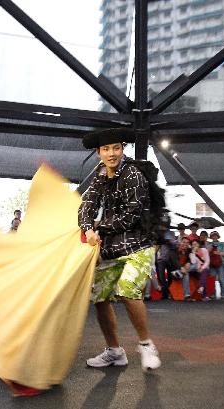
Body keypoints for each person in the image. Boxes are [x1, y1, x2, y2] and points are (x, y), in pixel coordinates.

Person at [78, 128, 161, 371]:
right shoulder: (100, 174)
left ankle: (146, 345)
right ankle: (114, 351)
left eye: (116, 148)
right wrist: (86, 227)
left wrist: (97, 227)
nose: (111, 153)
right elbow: (86, 204)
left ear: (123, 148)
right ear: (98, 153)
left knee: (127, 290)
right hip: (113, 247)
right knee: (100, 297)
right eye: (106, 149)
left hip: (139, 245)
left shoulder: (133, 174)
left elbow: (131, 216)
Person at [208, 231, 224, 299]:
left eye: (215, 235)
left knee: (221, 279)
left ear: (218, 236)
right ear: (211, 237)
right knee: (212, 279)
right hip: (211, 264)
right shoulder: (208, 244)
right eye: (213, 236)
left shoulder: (222, 244)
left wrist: (218, 253)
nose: (214, 237)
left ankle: (222, 293)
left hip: (220, 264)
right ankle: (213, 293)